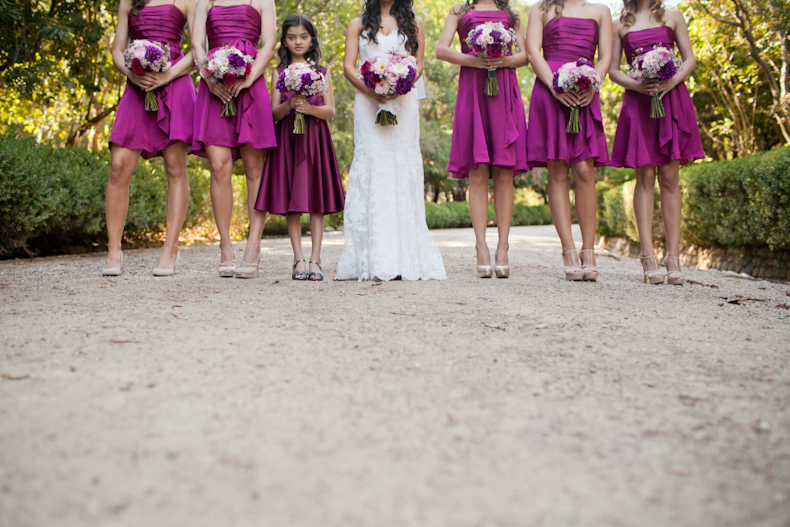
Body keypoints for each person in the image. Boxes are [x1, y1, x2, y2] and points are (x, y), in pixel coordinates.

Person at [335, 0, 446, 282]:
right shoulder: (357, 25)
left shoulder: (415, 23)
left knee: (402, 166)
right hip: (368, 102)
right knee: (373, 166)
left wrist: (400, 84)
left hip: (403, 104)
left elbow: (419, 64)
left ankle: (404, 256)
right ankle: (372, 257)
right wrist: (374, 92)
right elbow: (349, 67)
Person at [609, 0, 704, 285]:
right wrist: (638, 85)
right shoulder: (620, 25)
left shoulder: (673, 16)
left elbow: (689, 59)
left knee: (670, 178)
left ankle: (673, 257)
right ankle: (648, 255)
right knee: (646, 177)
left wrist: (671, 81)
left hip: (671, 99)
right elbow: (613, 70)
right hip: (638, 104)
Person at [436, 0, 529, 279]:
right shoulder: (459, 11)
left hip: (504, 89)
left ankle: (503, 247)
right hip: (472, 89)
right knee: (477, 172)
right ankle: (481, 247)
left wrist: (504, 61)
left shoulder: (512, 13)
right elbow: (441, 49)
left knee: (503, 171)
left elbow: (525, 55)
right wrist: (473, 61)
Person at [103, 0, 196, 277]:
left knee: (175, 167)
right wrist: (131, 72)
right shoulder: (128, 1)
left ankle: (170, 249)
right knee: (119, 166)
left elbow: (199, 50)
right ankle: (113, 250)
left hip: (176, 84)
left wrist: (169, 74)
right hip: (137, 86)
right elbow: (117, 50)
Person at [525, 0, 612, 281]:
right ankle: (569, 250)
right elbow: (532, 52)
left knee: (585, 169)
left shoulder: (601, 11)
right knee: (558, 169)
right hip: (550, 91)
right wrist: (555, 85)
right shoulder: (539, 8)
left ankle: (589, 250)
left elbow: (606, 56)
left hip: (585, 92)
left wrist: (593, 83)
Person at [254, 15, 345, 281]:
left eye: (303, 37)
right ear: (284, 40)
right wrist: (290, 103)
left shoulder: (322, 71)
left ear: (311, 39)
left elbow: (330, 111)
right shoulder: (278, 72)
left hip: (315, 138)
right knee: (292, 201)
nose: (298, 41)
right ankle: (298, 258)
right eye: (292, 37)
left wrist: (310, 108)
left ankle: (316, 258)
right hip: (288, 140)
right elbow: (274, 113)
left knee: (317, 200)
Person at [191, 0, 277, 278]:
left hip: (250, 84)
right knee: (218, 166)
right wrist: (209, 78)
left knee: (254, 169)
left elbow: (270, 43)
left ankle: (253, 246)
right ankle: (225, 246)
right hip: (213, 86)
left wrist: (250, 78)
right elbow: (196, 44)